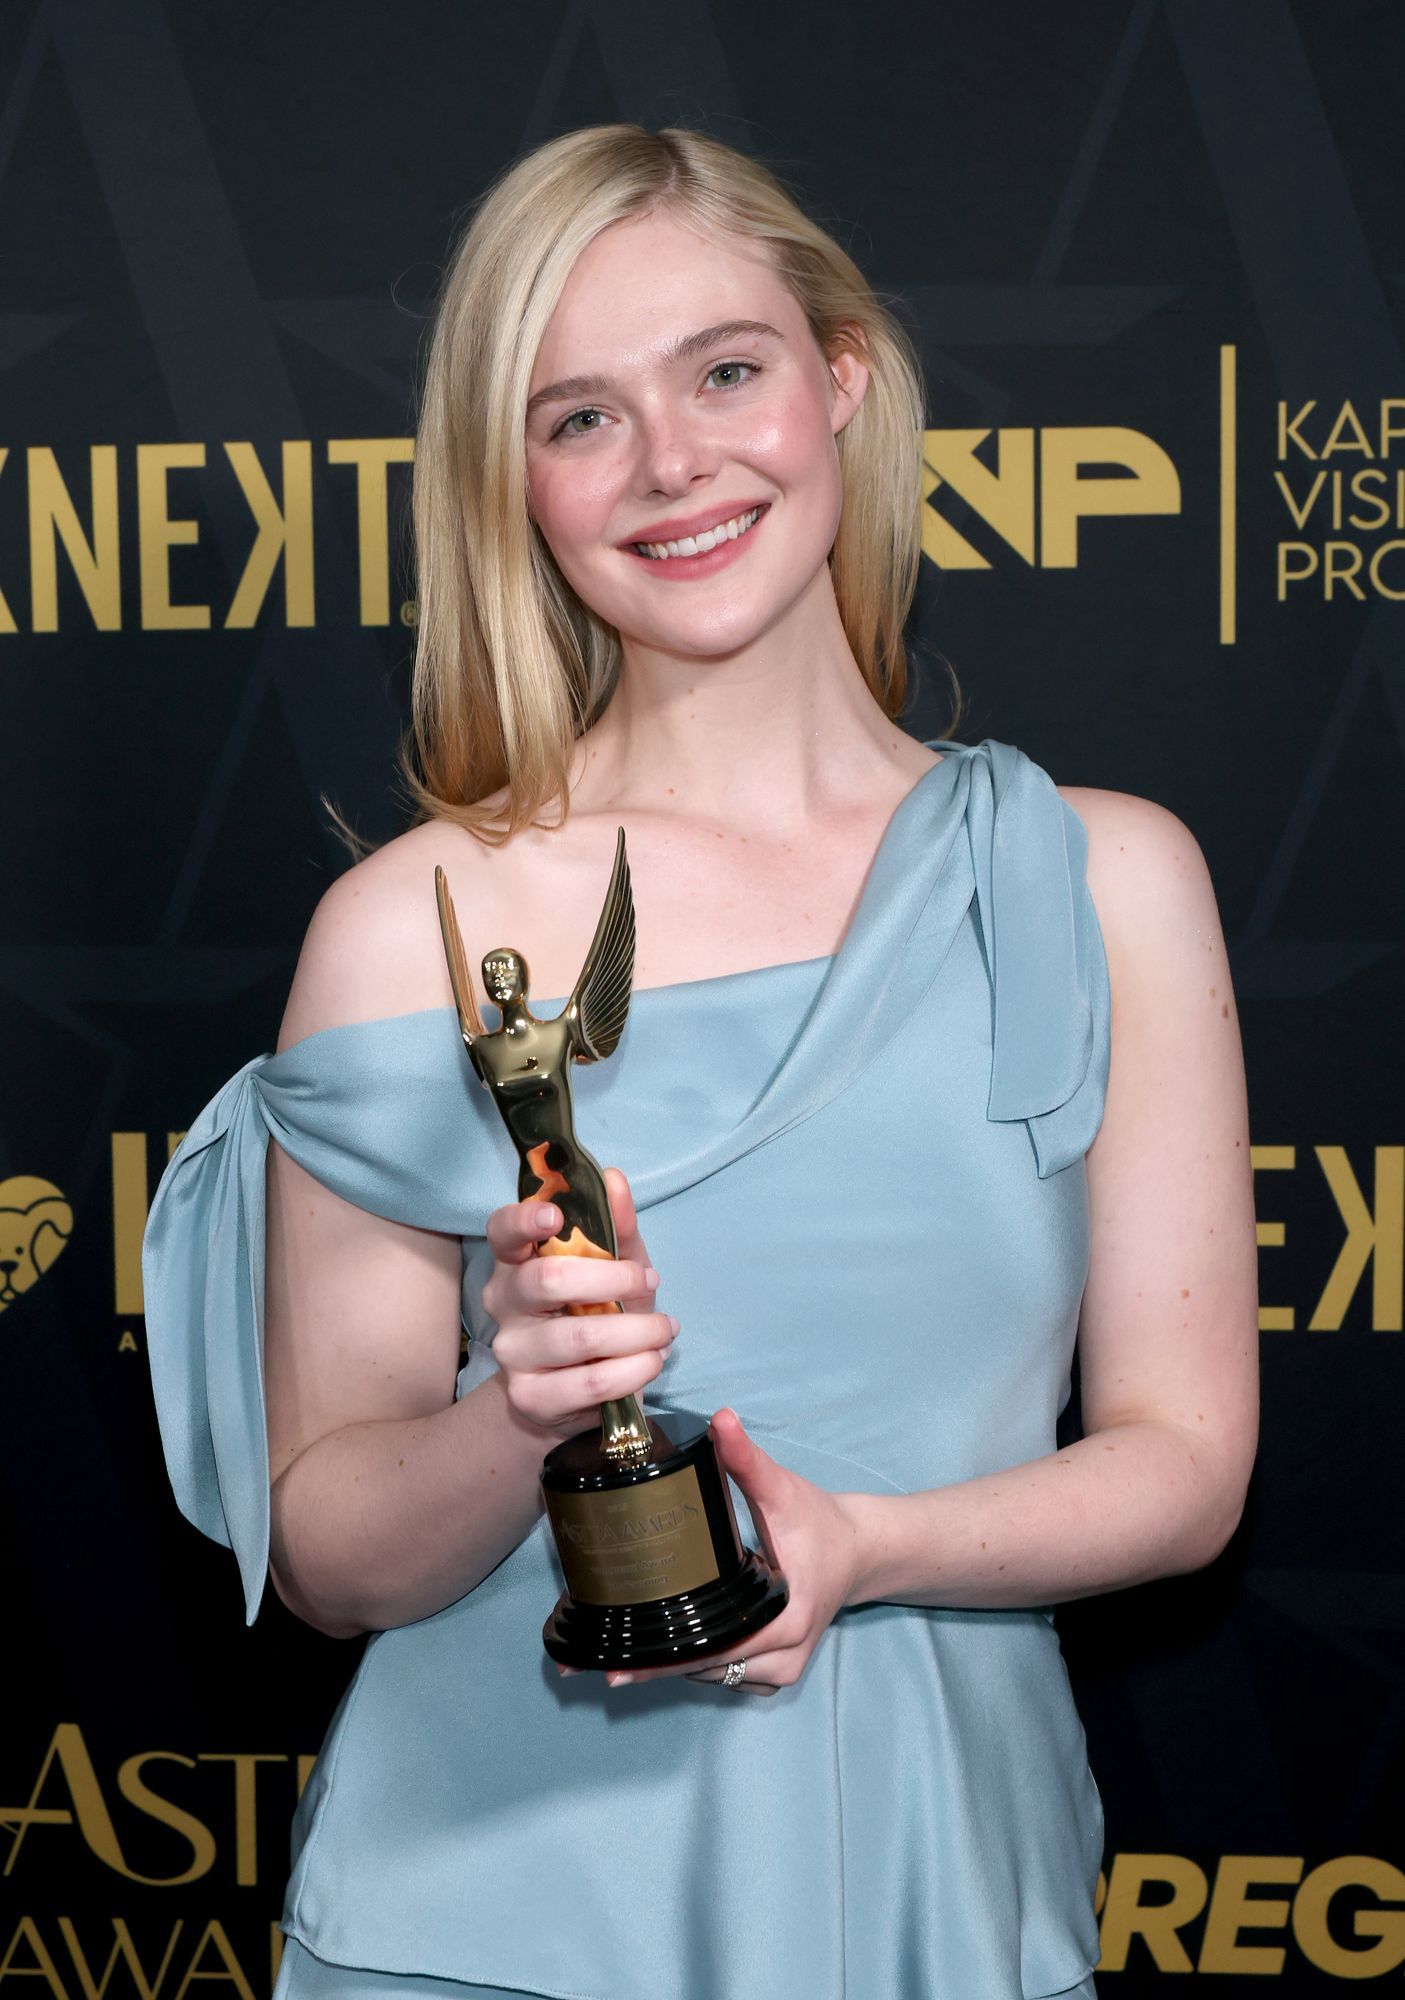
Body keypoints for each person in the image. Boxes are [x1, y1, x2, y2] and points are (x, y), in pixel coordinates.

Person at [142, 122, 1260, 2000]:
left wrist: (864, 1546)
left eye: (724, 372)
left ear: (841, 376)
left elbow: (1185, 1464)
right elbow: (329, 1559)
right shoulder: (414, 929)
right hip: (480, 1921)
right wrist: (520, 1409)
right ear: (512, 484)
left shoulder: (1097, 880)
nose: (671, 462)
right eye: (579, 416)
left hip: (936, 1893)